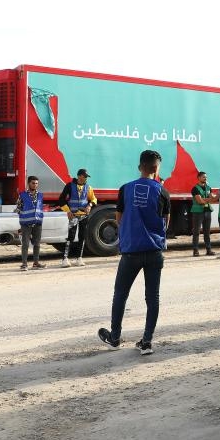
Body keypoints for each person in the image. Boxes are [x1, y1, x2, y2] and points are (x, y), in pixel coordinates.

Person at [98, 150, 171, 356]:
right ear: (156, 169)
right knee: (152, 297)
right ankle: (146, 342)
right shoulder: (163, 191)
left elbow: (119, 219)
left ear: (140, 167)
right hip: (154, 252)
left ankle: (115, 338)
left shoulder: (125, 189)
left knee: (120, 295)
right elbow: (166, 223)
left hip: (131, 253)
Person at [57, 168, 96, 267]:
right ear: (79, 176)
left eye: (86, 177)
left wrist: (90, 205)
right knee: (70, 237)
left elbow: (93, 198)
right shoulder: (69, 186)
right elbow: (61, 199)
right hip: (73, 215)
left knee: (82, 236)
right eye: (84, 176)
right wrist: (68, 211)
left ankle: (79, 258)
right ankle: (65, 259)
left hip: (83, 216)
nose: (85, 178)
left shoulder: (88, 187)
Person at [15, 175, 47, 271]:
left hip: (38, 223)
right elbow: (18, 208)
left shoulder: (40, 195)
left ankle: (36, 263)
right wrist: (24, 216)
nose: (35, 185)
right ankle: (24, 264)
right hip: (26, 223)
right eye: (33, 183)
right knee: (25, 244)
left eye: (36, 183)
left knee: (37, 244)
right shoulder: (22, 195)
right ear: (29, 183)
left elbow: (40, 207)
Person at [190, 171, 214, 257]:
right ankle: (195, 251)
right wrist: (208, 199)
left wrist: (205, 199)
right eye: (204, 177)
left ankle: (209, 250)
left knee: (207, 232)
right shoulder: (195, 189)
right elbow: (199, 201)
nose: (205, 178)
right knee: (196, 232)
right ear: (199, 178)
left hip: (207, 211)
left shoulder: (209, 188)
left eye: (206, 177)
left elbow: (212, 199)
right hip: (198, 212)